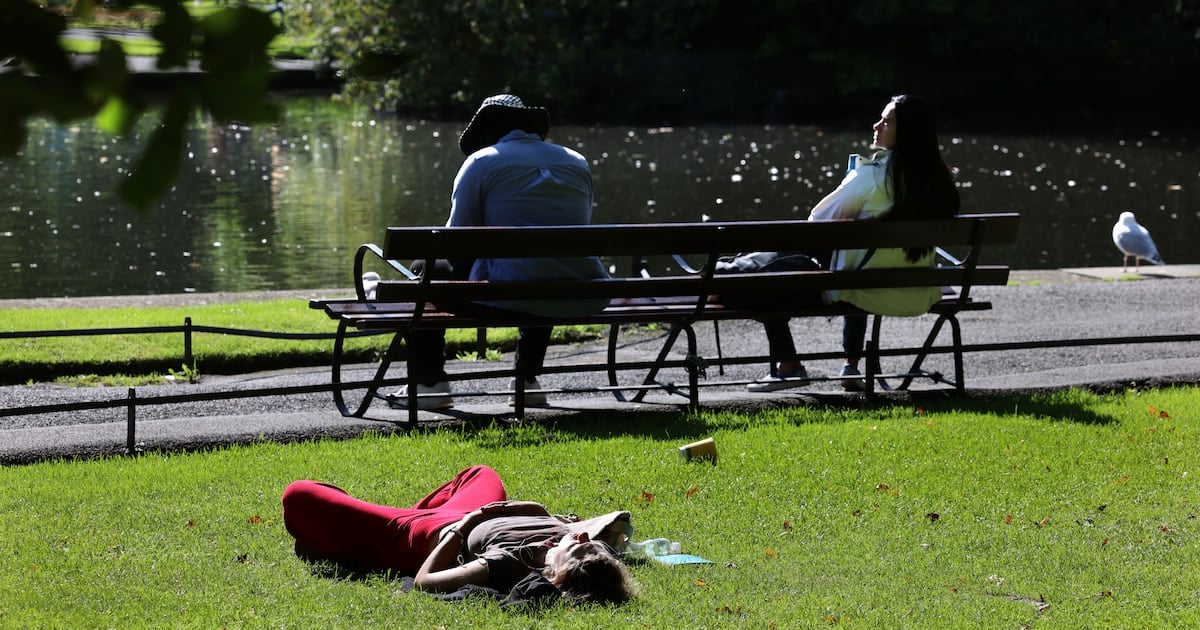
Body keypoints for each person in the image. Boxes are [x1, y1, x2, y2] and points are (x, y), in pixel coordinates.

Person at [389, 94, 609, 410]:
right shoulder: (576, 161)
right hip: (576, 287)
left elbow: (456, 241)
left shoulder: (482, 162)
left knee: (426, 270)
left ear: (489, 133)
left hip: (506, 295)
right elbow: (576, 227)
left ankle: (429, 383)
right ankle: (527, 380)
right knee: (543, 262)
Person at [744, 94, 961, 392]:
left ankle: (789, 365)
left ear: (907, 131)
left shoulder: (871, 178)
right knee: (857, 263)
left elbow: (816, 224)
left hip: (860, 289)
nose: (877, 125)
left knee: (761, 282)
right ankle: (851, 366)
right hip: (917, 293)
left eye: (886, 121)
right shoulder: (941, 183)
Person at [281, 465, 637, 605]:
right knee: (480, 473)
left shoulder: (510, 562)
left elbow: (425, 582)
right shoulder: (575, 543)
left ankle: (359, 537)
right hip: (470, 512)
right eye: (586, 541)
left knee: (299, 494)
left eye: (576, 548)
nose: (578, 538)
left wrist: (463, 528)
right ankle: (347, 537)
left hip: (431, 532)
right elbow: (547, 515)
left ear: (556, 575)